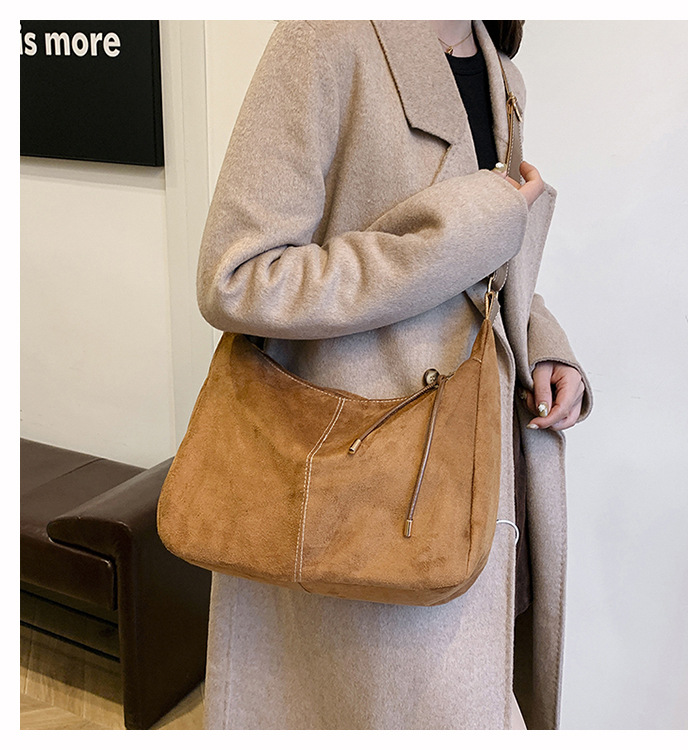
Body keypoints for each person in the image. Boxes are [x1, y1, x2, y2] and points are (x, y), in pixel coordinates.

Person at [197, 19, 592, 730]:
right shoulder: (326, 37)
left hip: (479, 468)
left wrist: (543, 344)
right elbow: (240, 277)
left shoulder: (503, 75)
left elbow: (489, 267)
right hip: (365, 483)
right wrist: (464, 228)